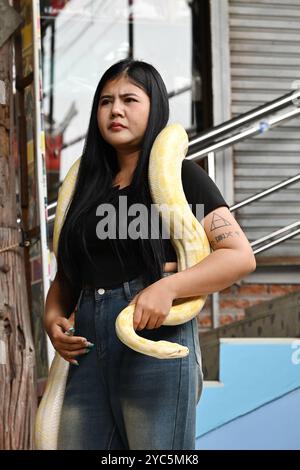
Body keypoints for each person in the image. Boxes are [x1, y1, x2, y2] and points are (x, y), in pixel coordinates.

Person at [44, 59, 256, 450]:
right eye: (105, 101)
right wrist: (53, 315)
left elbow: (238, 256)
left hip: (157, 340)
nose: (115, 110)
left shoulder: (181, 176)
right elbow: (69, 274)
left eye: (129, 99)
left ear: (154, 106)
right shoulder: (82, 187)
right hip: (88, 349)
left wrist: (168, 288)